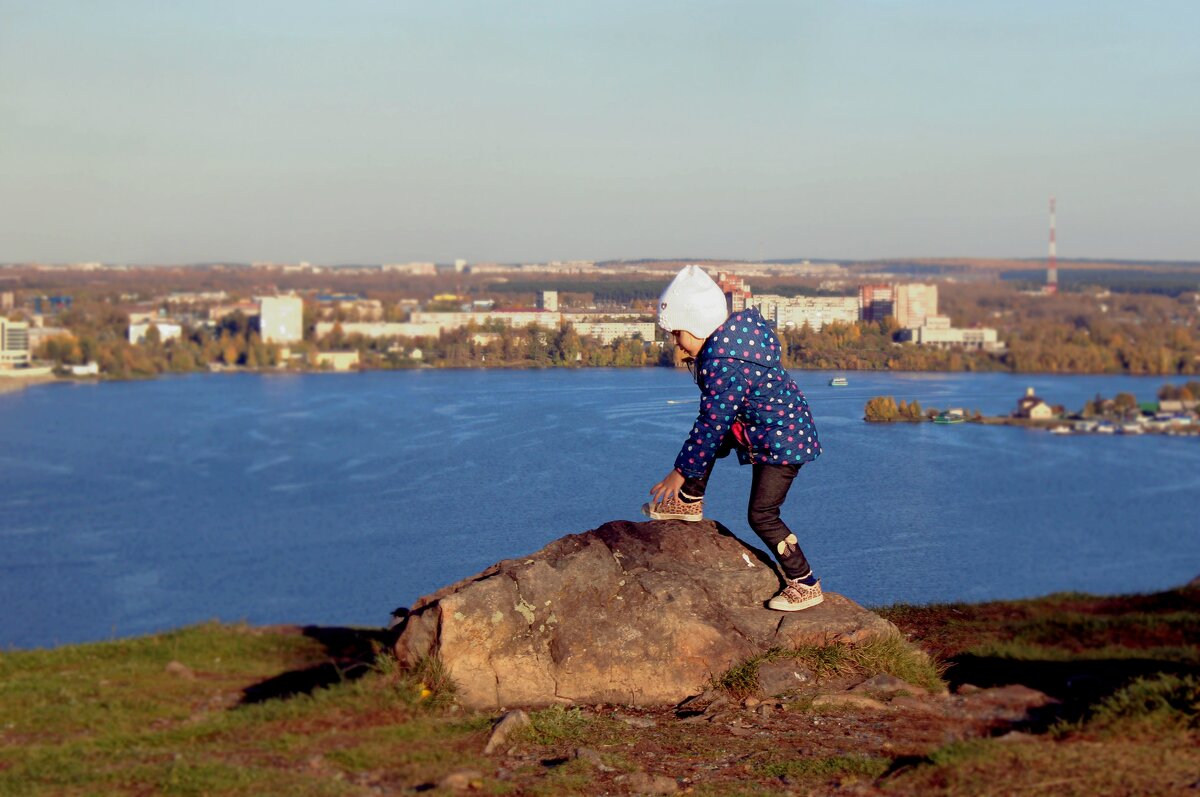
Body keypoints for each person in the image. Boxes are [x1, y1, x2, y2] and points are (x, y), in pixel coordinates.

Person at [643, 265, 824, 611]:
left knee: (763, 514)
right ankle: (689, 500)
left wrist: (679, 471)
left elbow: (711, 424)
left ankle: (805, 582)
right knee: (715, 437)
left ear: (696, 325)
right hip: (769, 430)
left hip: (782, 442)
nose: (676, 345)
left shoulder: (724, 362)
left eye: (678, 334)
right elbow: (715, 425)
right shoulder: (729, 344)